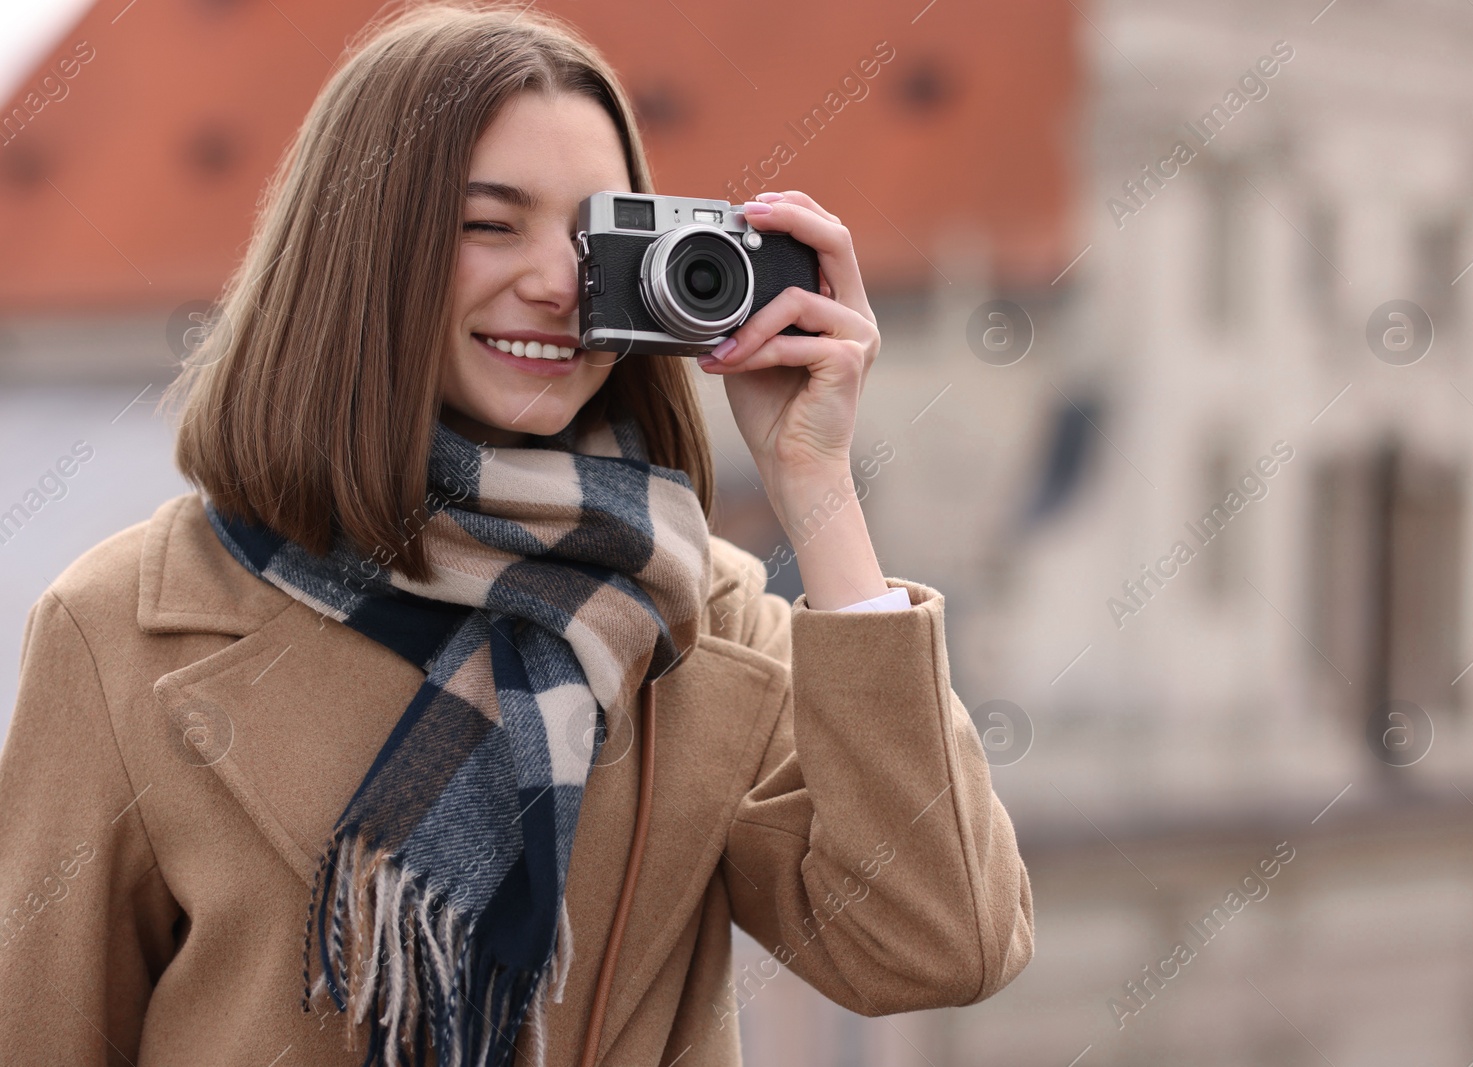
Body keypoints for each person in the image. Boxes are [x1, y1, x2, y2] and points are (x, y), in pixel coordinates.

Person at [0, 5, 1034, 1065]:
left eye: (595, 241)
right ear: (363, 250)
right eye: (488, 225)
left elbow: (934, 945)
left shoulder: (698, 620)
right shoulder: (128, 629)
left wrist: (815, 483)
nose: (557, 284)